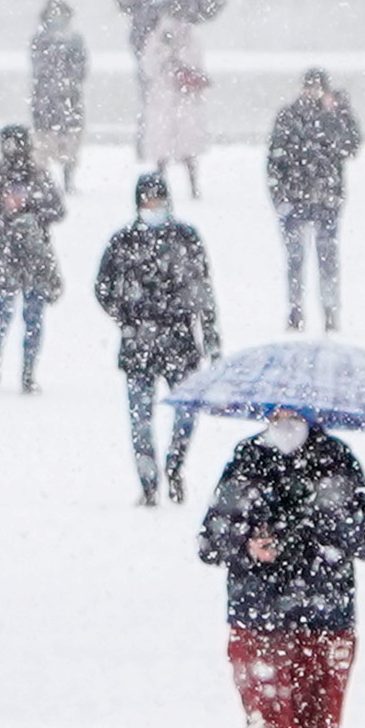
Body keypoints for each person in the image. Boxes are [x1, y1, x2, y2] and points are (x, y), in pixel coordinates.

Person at [197, 409, 365, 728]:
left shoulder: (337, 460)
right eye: (276, 409)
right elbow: (210, 541)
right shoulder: (248, 460)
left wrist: (319, 528)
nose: (285, 418)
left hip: (328, 623)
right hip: (260, 622)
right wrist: (246, 544)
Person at [92, 175, 218, 509]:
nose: (153, 208)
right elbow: (103, 286)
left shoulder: (186, 238)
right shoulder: (123, 241)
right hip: (139, 342)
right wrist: (126, 317)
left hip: (179, 338)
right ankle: (148, 482)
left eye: (158, 201)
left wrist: (211, 337)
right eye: (147, 202)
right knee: (140, 419)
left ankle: (174, 465)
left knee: (186, 412)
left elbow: (203, 291)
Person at [260, 68, 361, 334]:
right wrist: (279, 195)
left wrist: (341, 113)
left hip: (325, 199)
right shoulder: (289, 116)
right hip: (296, 198)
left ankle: (329, 310)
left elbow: (351, 146)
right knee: (296, 257)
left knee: (327, 257)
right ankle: (296, 308)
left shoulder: (334, 116)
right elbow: (275, 158)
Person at [0, 125, 65, 392]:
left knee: (29, 316)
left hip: (29, 255)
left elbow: (57, 210)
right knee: (4, 315)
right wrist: (4, 214)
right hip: (7, 253)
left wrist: (29, 210)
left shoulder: (38, 179)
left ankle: (26, 369)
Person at [140, 17, 210, 206]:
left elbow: (198, 65)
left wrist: (182, 62)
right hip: (162, 98)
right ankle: (160, 185)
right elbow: (149, 68)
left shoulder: (192, 39)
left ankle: (193, 185)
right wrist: (165, 54)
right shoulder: (156, 39)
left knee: (188, 144)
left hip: (185, 99)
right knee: (161, 145)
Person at [28, 0, 91, 187]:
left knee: (70, 142)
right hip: (45, 99)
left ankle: (68, 178)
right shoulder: (40, 38)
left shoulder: (75, 39)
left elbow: (82, 66)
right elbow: (37, 65)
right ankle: (43, 180)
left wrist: (69, 80)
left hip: (69, 98)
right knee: (44, 141)